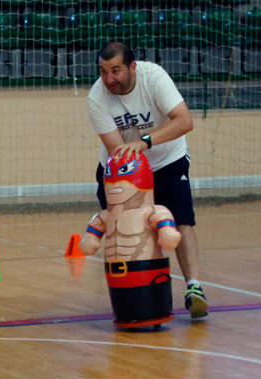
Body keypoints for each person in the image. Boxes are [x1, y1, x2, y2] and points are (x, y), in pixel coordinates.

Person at [86, 40, 208, 319]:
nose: (109, 79)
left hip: (167, 160)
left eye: (116, 71)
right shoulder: (96, 97)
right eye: (104, 72)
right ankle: (134, 294)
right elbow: (118, 149)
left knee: (181, 220)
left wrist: (145, 142)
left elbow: (184, 120)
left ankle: (194, 288)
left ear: (132, 67)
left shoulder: (153, 78)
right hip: (122, 170)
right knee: (121, 227)